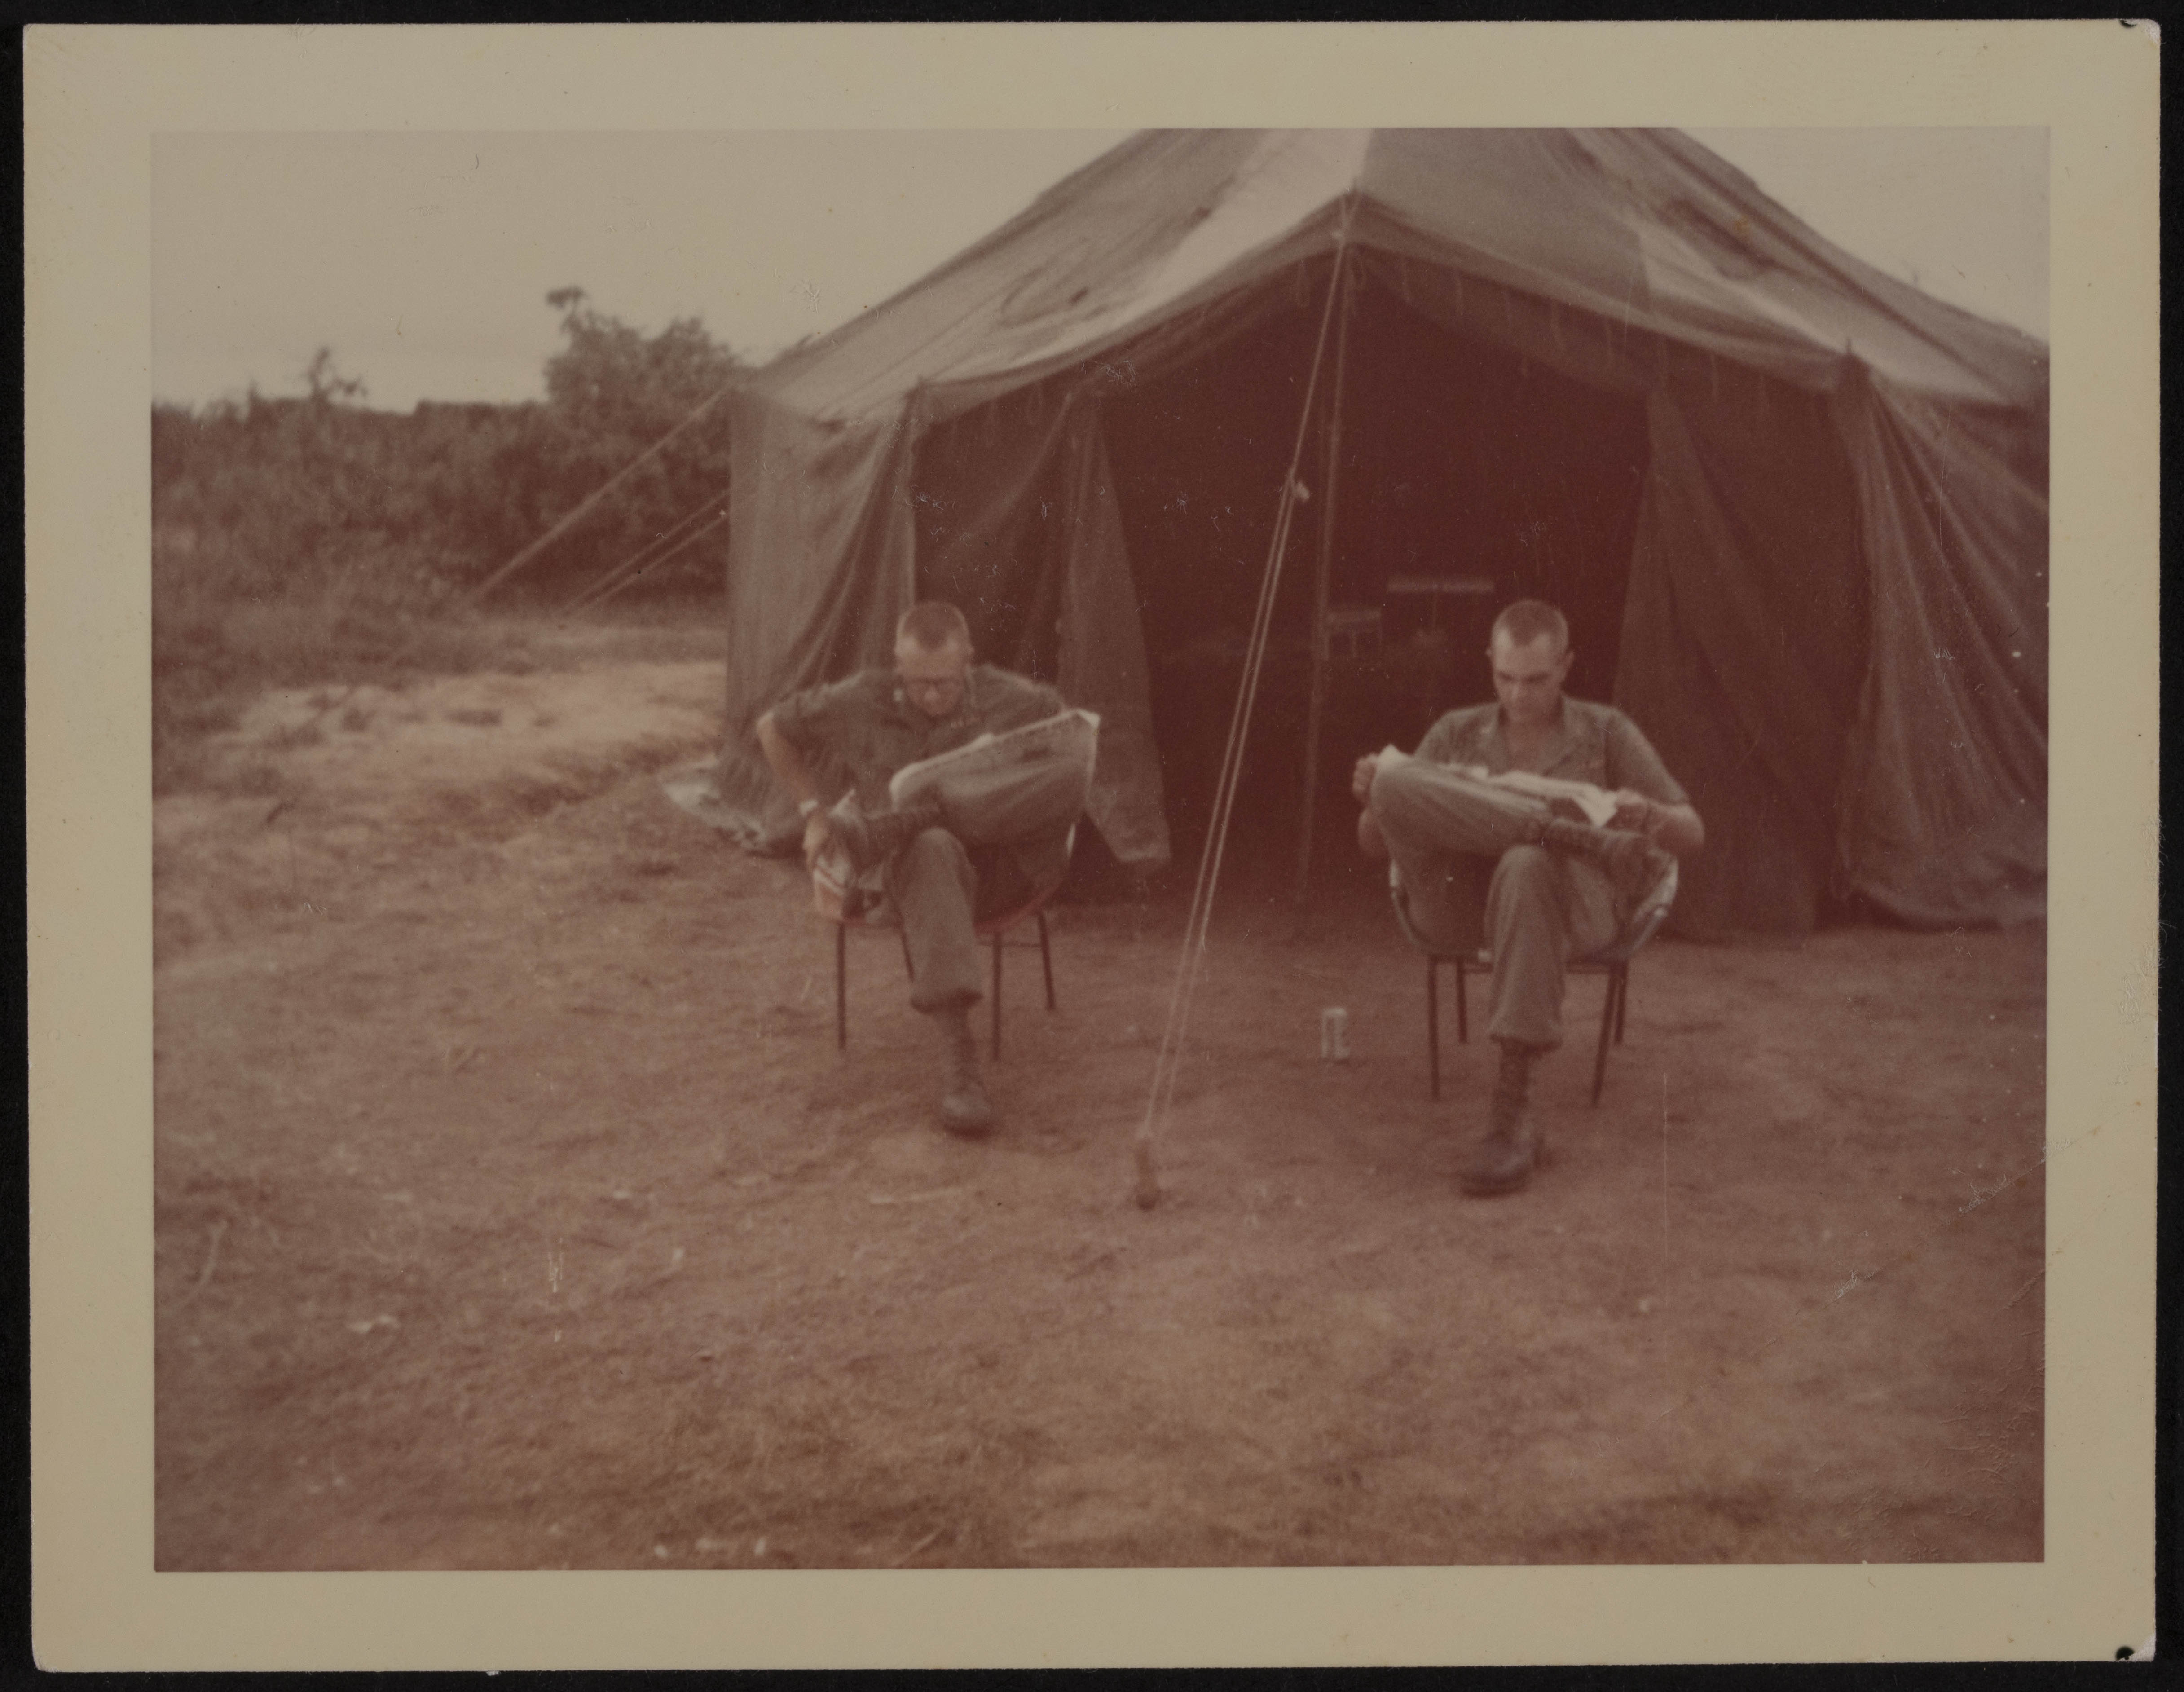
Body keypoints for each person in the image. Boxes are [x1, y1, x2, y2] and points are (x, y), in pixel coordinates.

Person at [1353, 599, 1704, 1197]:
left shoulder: (1605, 730)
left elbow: (1693, 833)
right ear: (1490, 663)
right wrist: (1379, 798)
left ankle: (1514, 1111)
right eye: (1506, 678)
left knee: (1524, 863)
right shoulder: (1458, 731)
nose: (1519, 696)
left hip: (1570, 906)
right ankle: (1548, 825)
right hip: (1459, 904)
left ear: (1566, 665)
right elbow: (1371, 847)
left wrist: (1650, 816)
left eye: (1537, 680)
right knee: (1394, 777)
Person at [756, 602, 1088, 1139]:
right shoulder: (861, 698)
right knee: (929, 846)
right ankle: (960, 1066)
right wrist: (812, 815)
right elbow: (772, 727)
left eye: (946, 684)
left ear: (969, 664)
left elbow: (1067, 739)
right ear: (897, 667)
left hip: (998, 873)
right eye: (918, 685)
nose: (932, 697)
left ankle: (913, 817)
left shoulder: (1010, 698)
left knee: (1070, 778)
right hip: (915, 884)